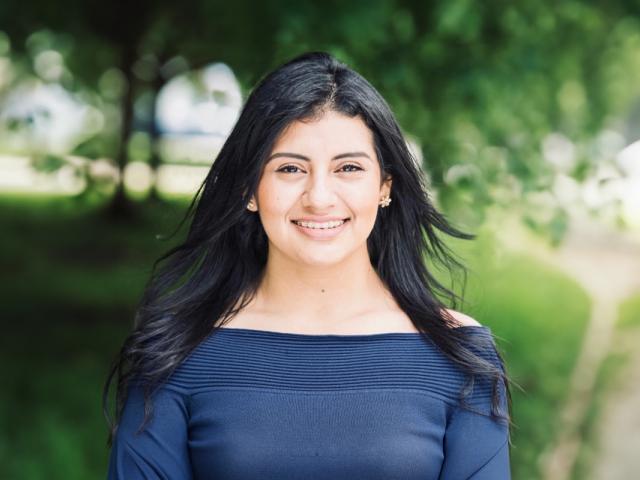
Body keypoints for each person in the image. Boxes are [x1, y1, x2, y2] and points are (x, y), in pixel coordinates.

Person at [104, 51, 513, 479]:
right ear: (250, 189)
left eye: (349, 167)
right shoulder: (175, 352)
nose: (319, 197)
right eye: (290, 168)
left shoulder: (461, 357)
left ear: (385, 187)